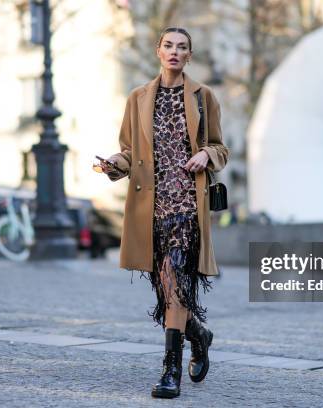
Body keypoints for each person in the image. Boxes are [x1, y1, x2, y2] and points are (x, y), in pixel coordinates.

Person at [97, 26, 229, 399]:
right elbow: (128, 152)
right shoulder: (138, 98)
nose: (174, 51)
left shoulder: (204, 97)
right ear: (158, 51)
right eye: (168, 45)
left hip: (187, 205)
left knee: (175, 284)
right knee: (165, 289)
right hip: (150, 210)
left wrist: (207, 154)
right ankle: (199, 335)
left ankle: (171, 371)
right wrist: (112, 164)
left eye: (182, 47)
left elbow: (221, 147)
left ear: (190, 55)